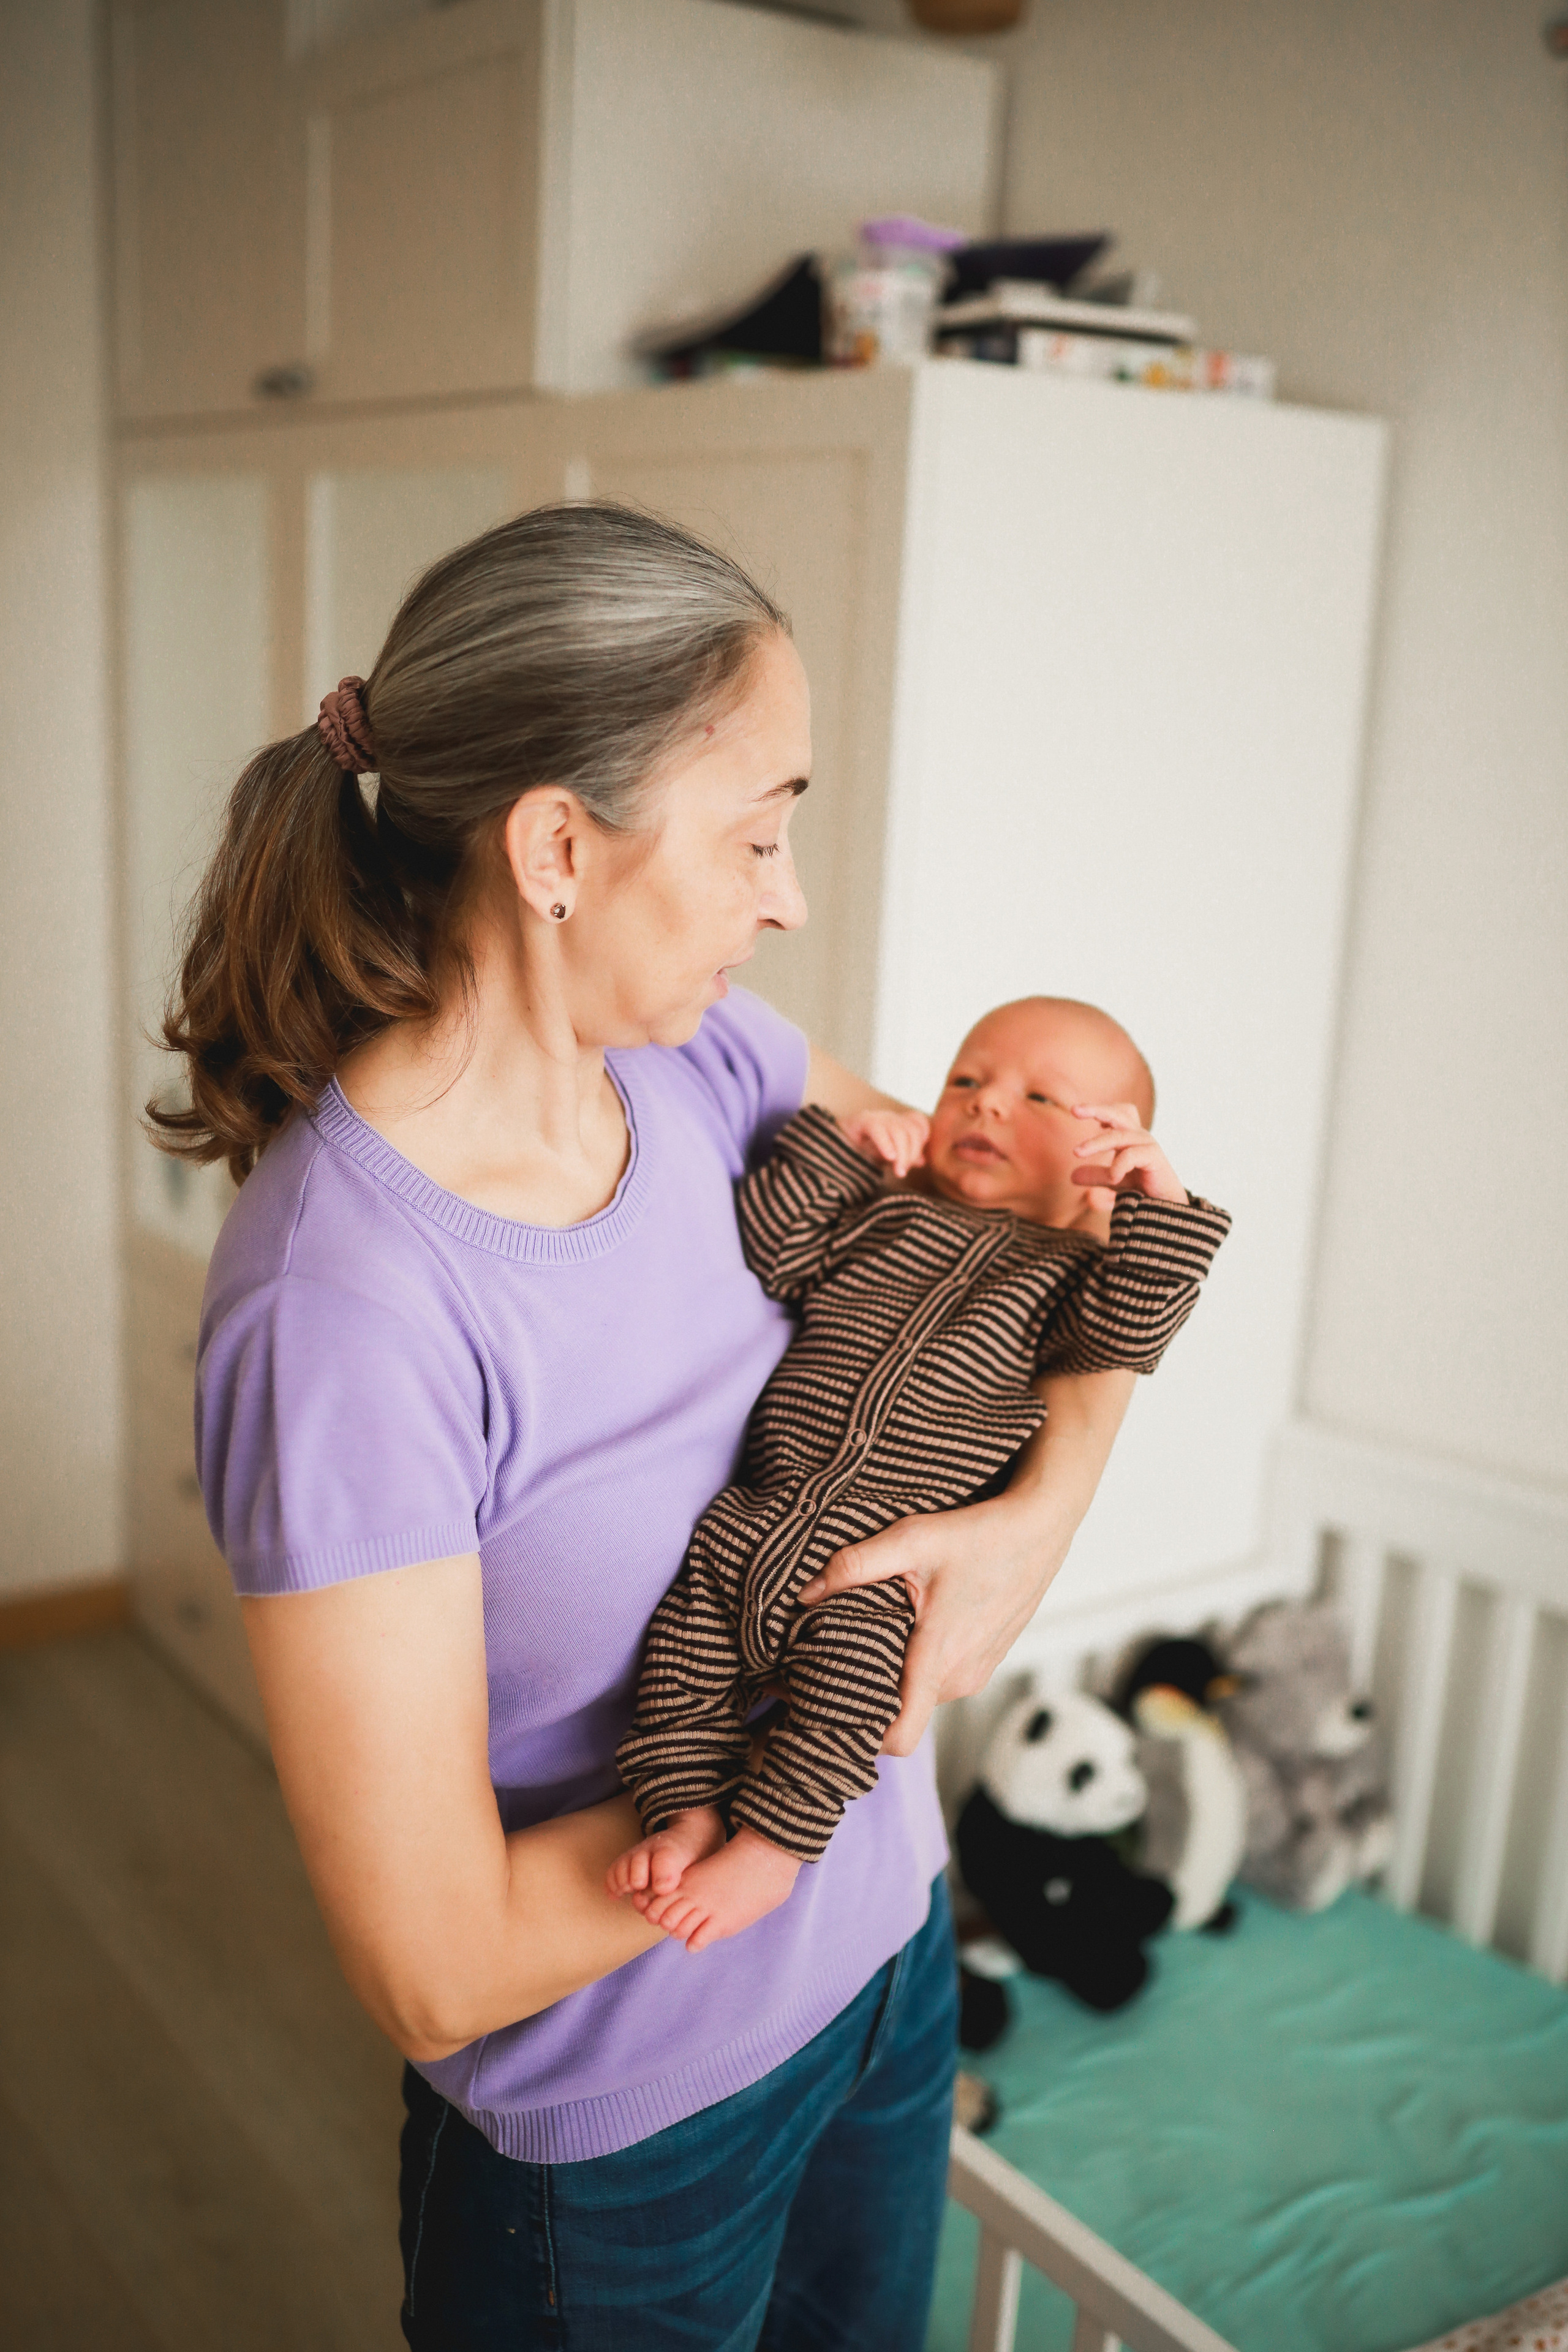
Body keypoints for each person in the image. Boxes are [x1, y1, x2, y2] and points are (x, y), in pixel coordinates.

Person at [154, 502, 1143, 2351]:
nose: (783, 895)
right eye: (758, 832)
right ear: (555, 846)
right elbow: (433, 1966)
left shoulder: (706, 1058)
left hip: (887, 1966)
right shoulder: (346, 1314)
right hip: (629, 2145)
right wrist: (779, 1801)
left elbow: (1025, 1248)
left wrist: (1044, 1510)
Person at [609, 997, 1231, 1951]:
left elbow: (1134, 1331)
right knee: (679, 1661)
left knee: (851, 1692)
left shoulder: (1072, 1281)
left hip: (881, 1561)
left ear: (1103, 1158)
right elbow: (771, 1251)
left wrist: (1156, 1210)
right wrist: (847, 1152)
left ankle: (773, 1850)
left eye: (1038, 1098)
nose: (985, 1107)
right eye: (966, 1080)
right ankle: (684, 1808)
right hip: (757, 1514)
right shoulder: (884, 1211)